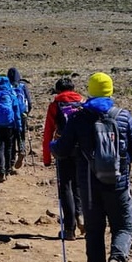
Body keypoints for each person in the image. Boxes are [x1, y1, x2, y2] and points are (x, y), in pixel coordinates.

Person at [52, 72, 132, 262]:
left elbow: (62, 150)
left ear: (90, 91)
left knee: (94, 231)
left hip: (89, 187)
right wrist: (121, 162)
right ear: (110, 90)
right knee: (123, 227)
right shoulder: (123, 116)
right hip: (118, 185)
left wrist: (54, 144)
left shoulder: (79, 118)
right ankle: (117, 260)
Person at [42, 77, 86, 240]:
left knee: (65, 186)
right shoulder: (83, 102)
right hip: (82, 149)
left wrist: (47, 157)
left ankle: (69, 229)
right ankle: (81, 215)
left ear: (58, 90)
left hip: (63, 148)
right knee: (79, 184)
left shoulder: (55, 105)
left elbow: (48, 133)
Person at [0, 74, 23, 183]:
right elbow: (17, 112)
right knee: (8, 148)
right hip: (9, 125)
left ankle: (1, 170)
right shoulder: (11, 95)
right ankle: (7, 170)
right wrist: (19, 126)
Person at [8, 67, 34, 170]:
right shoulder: (23, 86)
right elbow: (29, 102)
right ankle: (22, 150)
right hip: (22, 114)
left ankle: (11, 161)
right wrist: (26, 113)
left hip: (10, 116)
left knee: (11, 138)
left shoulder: (7, 86)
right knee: (21, 134)